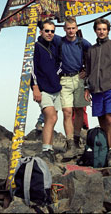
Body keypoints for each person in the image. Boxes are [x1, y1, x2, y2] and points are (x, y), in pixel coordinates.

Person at [84, 18, 111, 167]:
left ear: (108, 30)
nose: (101, 31)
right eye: (99, 29)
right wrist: (87, 87)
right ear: (95, 30)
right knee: (102, 121)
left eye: (104, 29)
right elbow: (88, 70)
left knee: (110, 119)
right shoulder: (91, 49)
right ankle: (104, 150)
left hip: (110, 88)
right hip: (95, 90)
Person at [57, 16, 92, 160]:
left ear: (76, 29)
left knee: (78, 110)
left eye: (73, 28)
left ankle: (76, 141)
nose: (71, 31)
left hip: (79, 78)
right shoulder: (60, 41)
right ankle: (70, 143)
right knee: (67, 111)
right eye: (68, 28)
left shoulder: (82, 42)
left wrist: (88, 70)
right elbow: (43, 31)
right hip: (64, 78)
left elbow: (94, 55)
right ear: (64, 29)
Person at [31, 19, 62, 163]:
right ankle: (45, 149)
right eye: (47, 31)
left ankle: (48, 148)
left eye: (52, 31)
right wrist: (35, 87)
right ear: (41, 31)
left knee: (53, 118)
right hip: (43, 89)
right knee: (51, 117)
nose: (50, 33)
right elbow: (31, 68)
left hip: (55, 88)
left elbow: (59, 64)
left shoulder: (55, 47)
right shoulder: (35, 47)